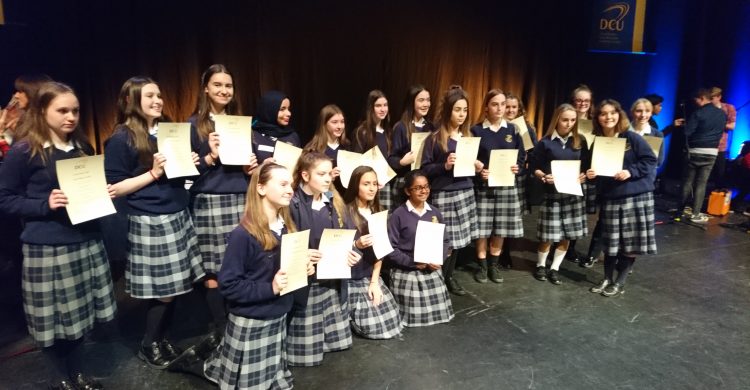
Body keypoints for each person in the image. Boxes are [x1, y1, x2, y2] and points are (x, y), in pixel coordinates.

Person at [0, 81, 116, 390]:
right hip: (49, 247)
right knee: (53, 322)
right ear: (42, 111)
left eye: (75, 111)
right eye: (62, 110)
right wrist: (43, 204)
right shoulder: (26, 150)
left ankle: (78, 372)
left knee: (78, 318)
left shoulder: (81, 148)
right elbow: (4, 198)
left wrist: (100, 192)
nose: (71, 117)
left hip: (85, 240)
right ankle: (62, 379)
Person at [104, 76, 205, 369]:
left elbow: (183, 175)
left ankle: (162, 339)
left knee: (175, 287)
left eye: (159, 95)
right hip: (151, 219)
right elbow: (114, 187)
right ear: (130, 100)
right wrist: (153, 173)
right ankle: (149, 344)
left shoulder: (168, 131)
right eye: (149, 96)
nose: (157, 100)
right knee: (164, 291)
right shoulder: (122, 138)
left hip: (177, 214)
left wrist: (192, 164)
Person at [197, 162, 315, 389]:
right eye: (282, 184)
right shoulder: (243, 234)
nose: (290, 189)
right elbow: (229, 285)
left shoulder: (288, 227)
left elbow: (286, 271)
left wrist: (304, 270)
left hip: (278, 315)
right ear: (260, 188)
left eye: (290, 184)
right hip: (253, 321)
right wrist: (270, 288)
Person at [188, 64, 258, 342]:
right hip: (211, 200)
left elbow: (247, 166)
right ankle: (220, 326)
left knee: (239, 262)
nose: (224, 90)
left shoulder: (241, 124)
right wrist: (209, 156)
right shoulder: (194, 125)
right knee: (214, 267)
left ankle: (239, 319)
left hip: (241, 197)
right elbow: (186, 173)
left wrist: (249, 168)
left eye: (228, 86)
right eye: (217, 85)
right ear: (206, 88)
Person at [286, 151, 360, 367]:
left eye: (330, 173)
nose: (328, 178)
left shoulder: (334, 202)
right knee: (307, 355)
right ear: (305, 175)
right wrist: (302, 255)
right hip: (307, 281)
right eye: (321, 174)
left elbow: (348, 235)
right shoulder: (293, 204)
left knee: (336, 343)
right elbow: (283, 242)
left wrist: (353, 252)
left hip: (332, 278)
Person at [586, 100, 657, 296]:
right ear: (597, 118)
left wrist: (630, 171)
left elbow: (651, 160)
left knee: (629, 243)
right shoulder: (597, 143)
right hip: (611, 197)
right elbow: (596, 174)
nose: (608, 117)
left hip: (636, 197)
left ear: (619, 114)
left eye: (612, 113)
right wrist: (592, 175)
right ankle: (607, 278)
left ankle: (620, 281)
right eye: (603, 114)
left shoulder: (631, 138)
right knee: (610, 243)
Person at [421, 86, 482, 296]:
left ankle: (449, 276)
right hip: (444, 194)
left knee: (457, 242)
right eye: (457, 110)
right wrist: (444, 166)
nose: (462, 114)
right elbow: (425, 169)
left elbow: (470, 166)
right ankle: (437, 278)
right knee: (443, 240)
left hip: (464, 192)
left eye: (465, 110)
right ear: (448, 111)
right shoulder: (436, 137)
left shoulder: (469, 136)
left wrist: (477, 166)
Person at [529, 104, 589, 285]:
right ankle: (540, 265)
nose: (569, 123)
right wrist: (543, 175)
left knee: (566, 235)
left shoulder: (581, 141)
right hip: (552, 195)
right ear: (557, 120)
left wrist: (584, 176)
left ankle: (555, 267)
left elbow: (587, 168)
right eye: (565, 120)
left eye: (572, 120)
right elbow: (534, 168)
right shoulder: (545, 142)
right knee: (548, 234)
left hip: (572, 195)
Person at [470, 89, 525, 284]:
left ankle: (494, 265)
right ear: (486, 107)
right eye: (495, 104)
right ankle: (482, 265)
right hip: (485, 188)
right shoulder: (477, 130)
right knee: (483, 229)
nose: (500, 108)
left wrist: (517, 166)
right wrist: (479, 171)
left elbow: (521, 156)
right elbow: (470, 159)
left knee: (500, 228)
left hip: (505, 187)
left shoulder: (513, 130)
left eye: (503, 104)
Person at [387, 169, 453, 327]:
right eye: (418, 188)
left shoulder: (435, 212)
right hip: (408, 269)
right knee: (414, 317)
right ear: (407, 191)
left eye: (426, 186)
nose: (424, 190)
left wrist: (439, 259)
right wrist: (413, 263)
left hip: (430, 267)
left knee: (439, 316)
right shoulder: (398, 215)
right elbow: (391, 249)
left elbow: (445, 241)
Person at [342, 166, 403, 338]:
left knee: (391, 322)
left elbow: (380, 251)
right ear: (356, 186)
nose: (371, 188)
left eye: (374, 184)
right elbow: (335, 249)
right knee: (371, 327)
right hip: (350, 277)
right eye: (366, 184)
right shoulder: (344, 212)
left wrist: (375, 281)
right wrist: (356, 244)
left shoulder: (377, 212)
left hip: (369, 274)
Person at [673, 88, 727, 223]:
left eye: (696, 100)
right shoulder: (722, 114)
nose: (695, 103)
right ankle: (695, 214)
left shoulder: (698, 113)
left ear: (702, 98)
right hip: (712, 152)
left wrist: (685, 126)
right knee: (701, 184)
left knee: (687, 182)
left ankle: (679, 213)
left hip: (695, 151)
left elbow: (688, 133)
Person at [388, 85, 435, 206]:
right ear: (411, 102)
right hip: (406, 184)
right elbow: (391, 158)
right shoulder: (401, 127)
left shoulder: (431, 127)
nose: (426, 104)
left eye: (428, 100)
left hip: (425, 185)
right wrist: (402, 162)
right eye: (421, 100)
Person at [352, 90, 395, 210]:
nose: (383, 109)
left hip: (384, 185)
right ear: (371, 108)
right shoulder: (362, 131)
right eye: (378, 106)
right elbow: (357, 162)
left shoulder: (388, 131)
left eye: (385, 105)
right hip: (368, 186)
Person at [0, 74, 53, 159]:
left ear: (32, 92)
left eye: (20, 92)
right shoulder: (23, 123)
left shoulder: (45, 125)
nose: (16, 96)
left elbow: (14, 160)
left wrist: (1, 134)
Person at [304, 104, 350, 191]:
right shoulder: (313, 149)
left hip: (346, 197)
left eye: (342, 122)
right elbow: (307, 179)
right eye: (334, 122)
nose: (340, 126)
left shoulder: (347, 146)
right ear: (324, 124)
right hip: (323, 196)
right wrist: (329, 177)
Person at [252, 90, 302, 164]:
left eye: (288, 109)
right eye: (282, 109)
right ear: (269, 110)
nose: (289, 113)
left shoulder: (292, 135)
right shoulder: (252, 135)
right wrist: (262, 167)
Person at [709, 87, 737, 188]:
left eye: (712, 98)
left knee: (719, 174)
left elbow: (732, 126)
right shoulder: (706, 109)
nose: (710, 100)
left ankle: (716, 198)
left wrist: (718, 123)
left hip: (720, 146)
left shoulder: (728, 108)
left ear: (719, 97)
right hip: (706, 145)